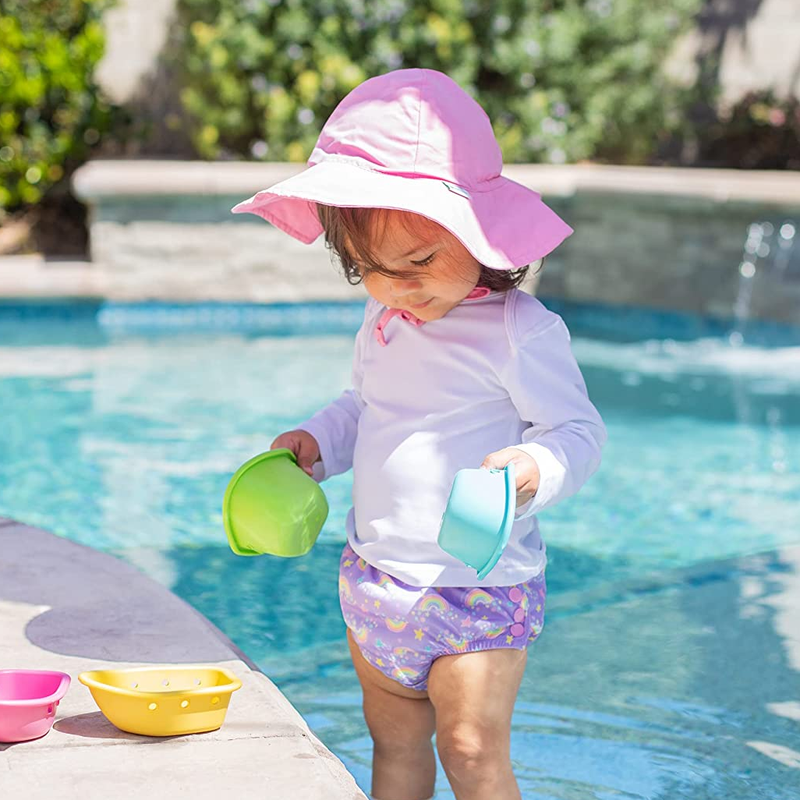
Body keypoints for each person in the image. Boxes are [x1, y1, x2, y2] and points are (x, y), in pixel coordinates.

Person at [232, 68, 606, 800]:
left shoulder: (519, 330)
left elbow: (578, 430)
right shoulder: (384, 320)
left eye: (419, 262)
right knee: (395, 747)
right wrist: (316, 442)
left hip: (479, 591)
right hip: (375, 582)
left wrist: (534, 466)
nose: (397, 287)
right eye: (370, 269)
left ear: (481, 235)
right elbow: (363, 406)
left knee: (470, 749)